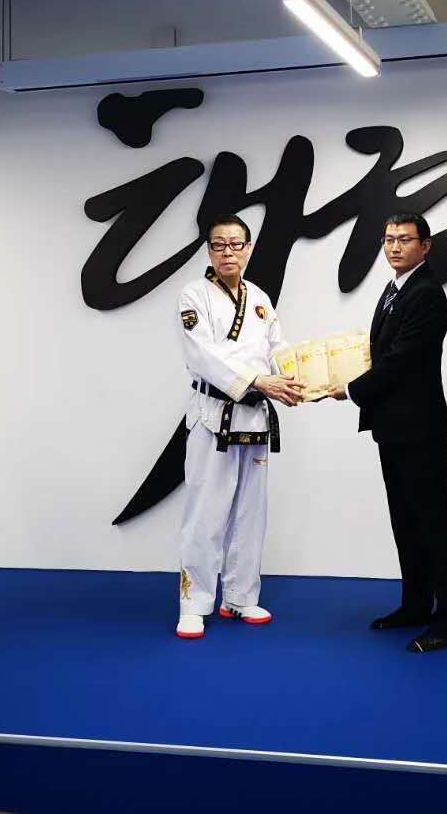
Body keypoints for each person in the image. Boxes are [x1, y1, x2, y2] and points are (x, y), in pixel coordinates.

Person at [333, 213, 447, 653]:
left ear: (425, 246)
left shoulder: (427, 294)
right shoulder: (393, 289)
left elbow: (402, 360)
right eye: (388, 239)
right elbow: (377, 353)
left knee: (434, 522)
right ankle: (415, 604)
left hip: (420, 427)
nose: (394, 247)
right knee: (405, 521)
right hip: (392, 426)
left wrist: (350, 389)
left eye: (404, 240)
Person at [174, 214, 303, 639]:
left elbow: (278, 349)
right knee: (205, 513)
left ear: (249, 249)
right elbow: (203, 356)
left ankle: (240, 596)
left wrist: (301, 377)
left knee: (251, 512)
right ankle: (194, 603)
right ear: (209, 250)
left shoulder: (260, 298)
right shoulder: (193, 296)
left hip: (255, 417)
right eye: (219, 245)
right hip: (214, 416)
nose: (228, 252)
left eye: (236, 244)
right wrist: (258, 381)